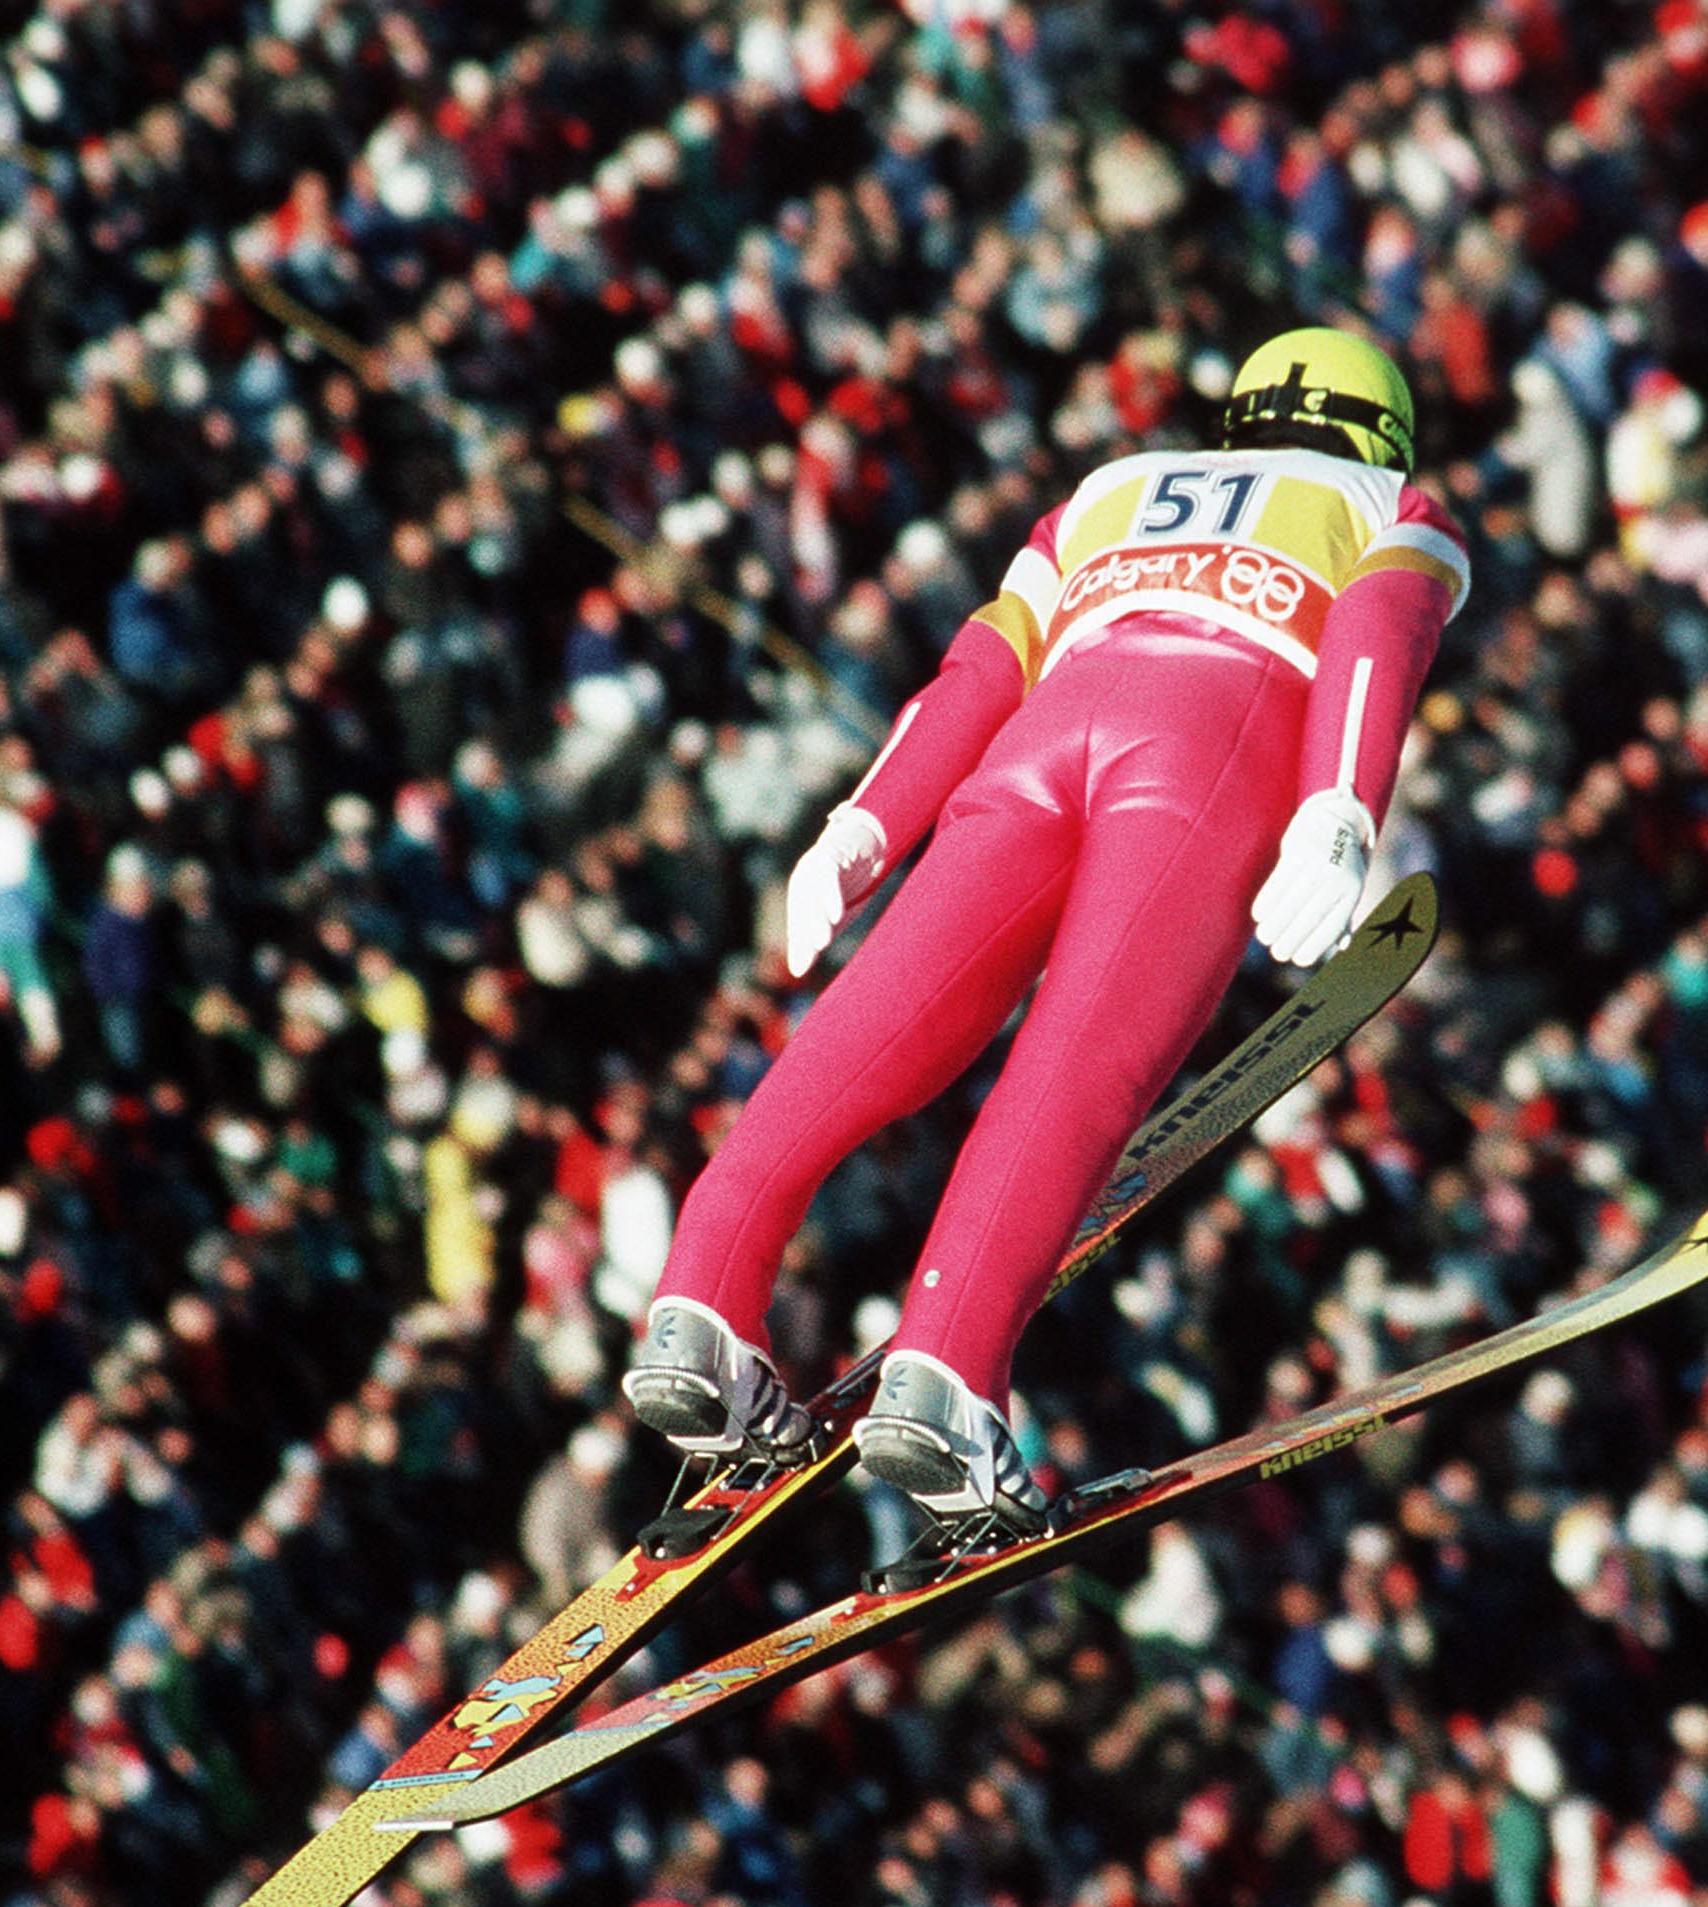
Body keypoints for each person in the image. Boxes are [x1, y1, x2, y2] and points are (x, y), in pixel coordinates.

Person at [620, 327, 1469, 1583]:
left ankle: (701, 1302)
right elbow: (1381, 629)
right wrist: (1341, 808)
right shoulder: (1386, 500)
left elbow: (983, 664)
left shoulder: (1109, 490)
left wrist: (865, 824)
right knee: (1075, 1067)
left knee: (877, 1027)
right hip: (1208, 742)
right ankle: (947, 1370)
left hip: (1041, 738)